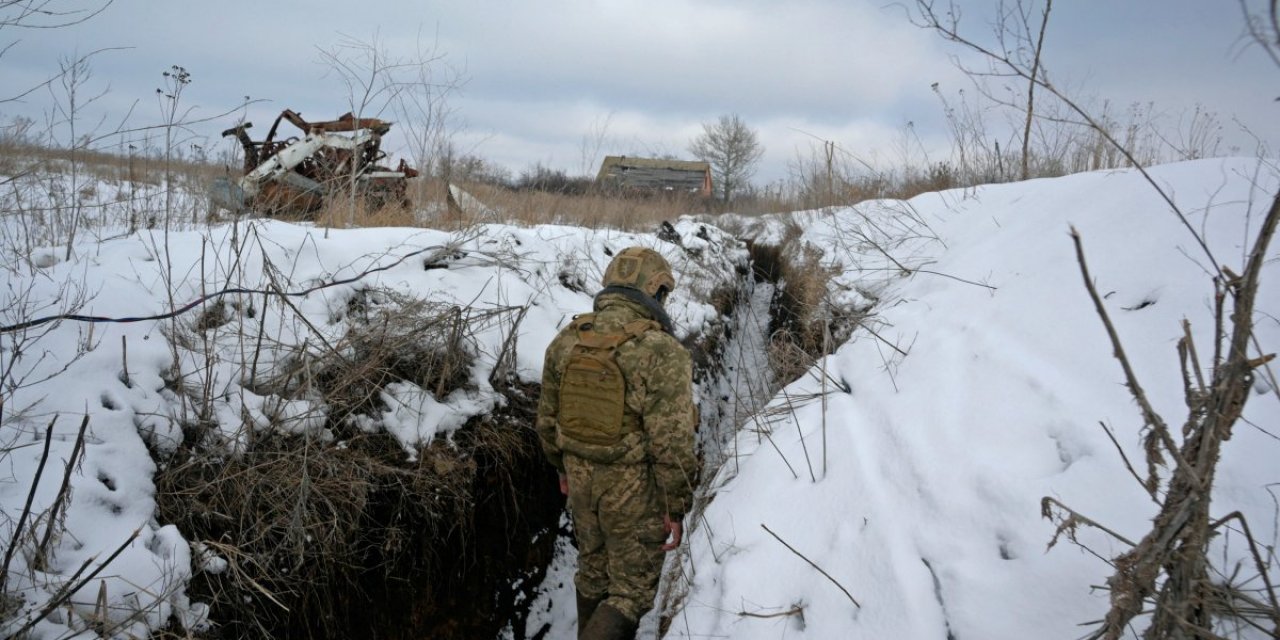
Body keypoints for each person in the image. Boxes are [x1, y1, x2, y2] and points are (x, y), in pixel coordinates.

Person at [536, 246, 698, 640]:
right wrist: (675, 504)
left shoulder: (569, 339)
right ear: (657, 292)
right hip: (634, 489)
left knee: (592, 572)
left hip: (579, 480)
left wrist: (561, 468)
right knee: (630, 592)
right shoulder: (662, 351)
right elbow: (671, 443)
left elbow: (547, 420)